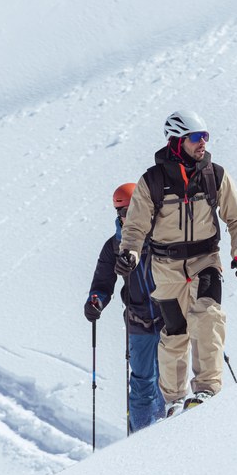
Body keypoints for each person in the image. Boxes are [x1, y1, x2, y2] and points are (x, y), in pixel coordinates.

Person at [115, 110, 237, 416]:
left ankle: (206, 389)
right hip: (166, 268)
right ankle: (175, 401)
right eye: (195, 137)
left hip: (206, 260)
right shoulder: (152, 181)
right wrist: (130, 253)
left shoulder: (215, 175)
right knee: (174, 333)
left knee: (208, 317)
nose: (202, 143)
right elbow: (135, 227)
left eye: (205, 136)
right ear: (177, 141)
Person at [85, 182, 166, 433]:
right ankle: (141, 437)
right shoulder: (113, 246)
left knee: (169, 378)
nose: (128, 216)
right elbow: (102, 282)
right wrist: (95, 301)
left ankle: (168, 430)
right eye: (123, 212)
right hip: (139, 321)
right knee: (143, 382)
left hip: (170, 317)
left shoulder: (163, 235)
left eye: (133, 210)